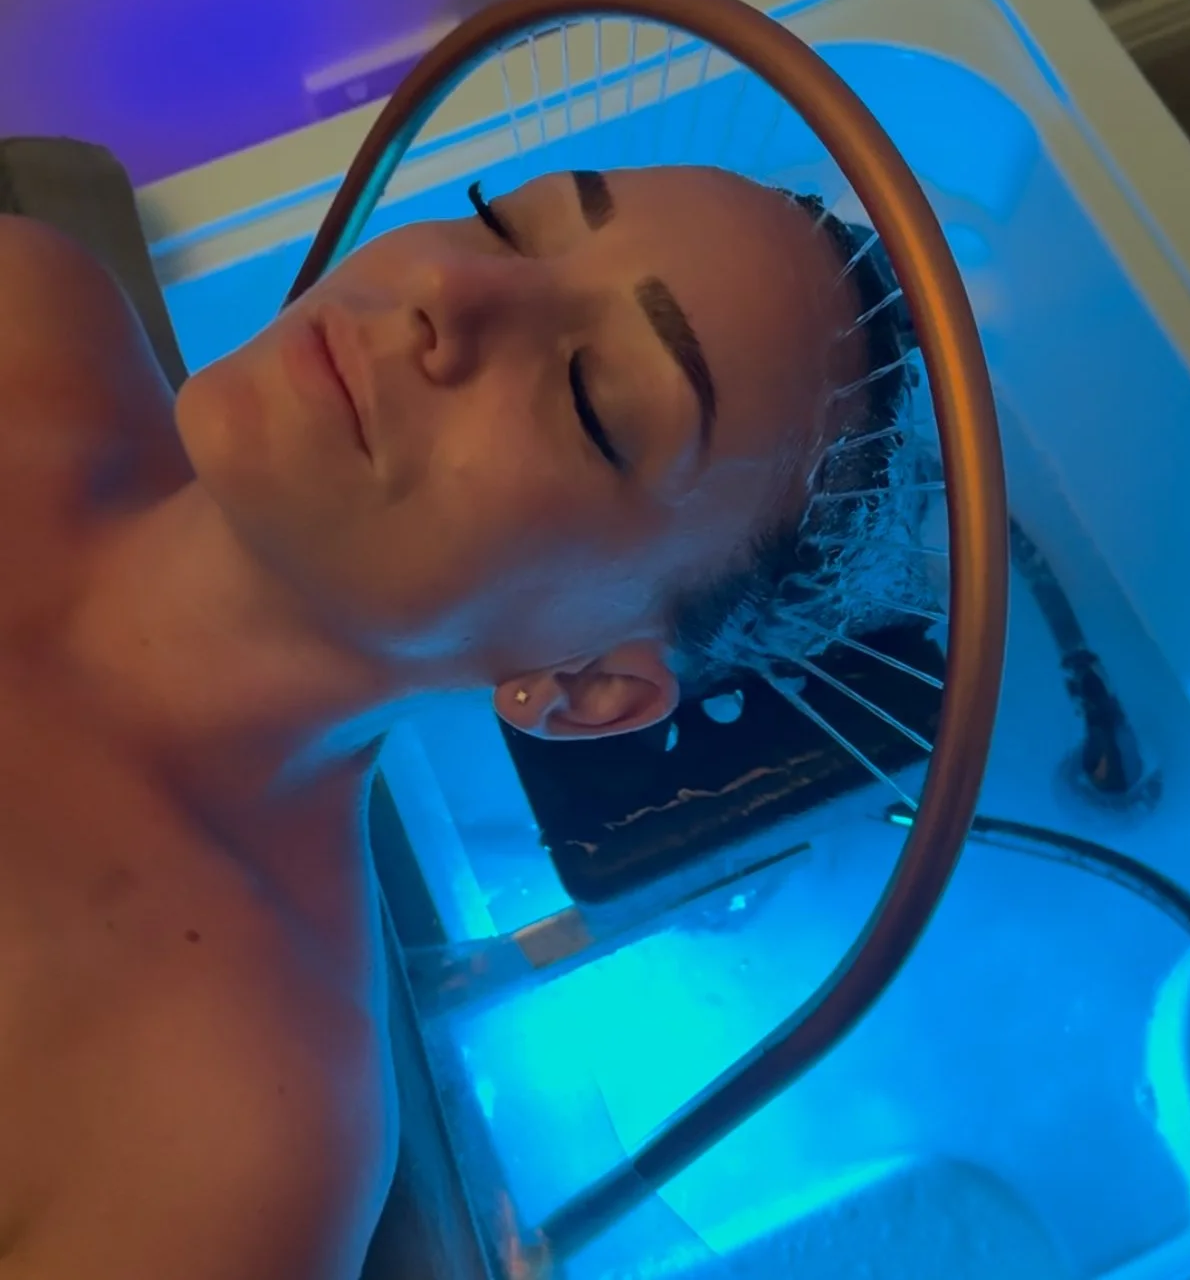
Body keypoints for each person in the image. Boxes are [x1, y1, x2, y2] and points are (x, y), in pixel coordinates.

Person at [0, 161, 918, 1280]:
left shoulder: (229, 1136)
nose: (444, 284)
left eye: (592, 399)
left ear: (586, 688)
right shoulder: (29, 306)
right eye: (505, 224)